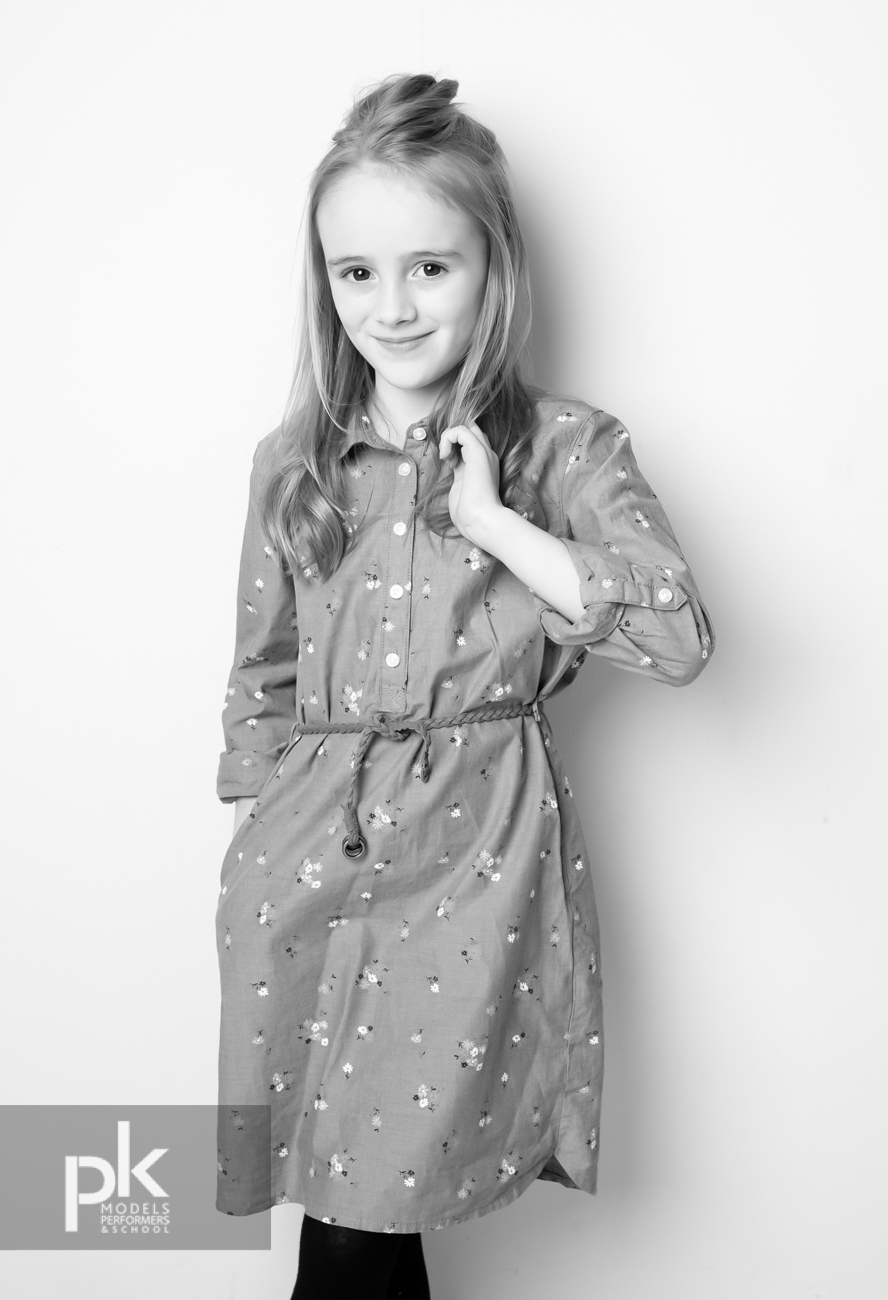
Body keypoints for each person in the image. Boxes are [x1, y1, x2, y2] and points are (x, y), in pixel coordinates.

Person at [214, 72, 714, 1299]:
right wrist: (258, 839)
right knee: (337, 1202)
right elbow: (260, 674)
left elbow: (676, 634)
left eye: (429, 266)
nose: (390, 306)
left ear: (493, 266)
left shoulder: (566, 447)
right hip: (302, 862)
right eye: (356, 271)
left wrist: (492, 521)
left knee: (371, 1205)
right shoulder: (293, 462)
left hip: (470, 860)